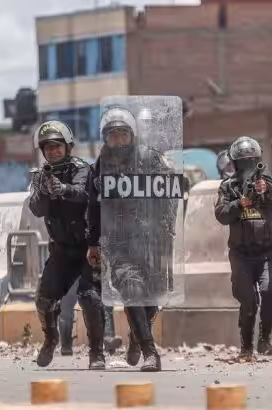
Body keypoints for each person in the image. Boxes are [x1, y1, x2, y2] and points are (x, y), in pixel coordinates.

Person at [86, 106, 174, 372]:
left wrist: (166, 226)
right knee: (132, 291)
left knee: (150, 301)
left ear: (132, 135)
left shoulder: (150, 158)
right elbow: (94, 206)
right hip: (119, 242)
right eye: (112, 135)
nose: (118, 140)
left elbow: (170, 193)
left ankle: (137, 337)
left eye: (123, 134)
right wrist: (93, 243)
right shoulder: (101, 166)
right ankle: (151, 353)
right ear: (105, 138)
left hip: (151, 241)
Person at [28, 120, 106, 370]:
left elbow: (84, 193)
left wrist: (63, 189)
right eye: (47, 148)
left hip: (86, 247)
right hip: (61, 249)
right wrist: (41, 192)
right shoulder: (41, 175)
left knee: (90, 297)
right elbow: (36, 210)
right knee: (44, 300)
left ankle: (97, 353)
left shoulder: (82, 168)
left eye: (57, 146)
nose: (52, 151)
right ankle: (51, 341)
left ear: (68, 146)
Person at [214, 136, 272, 361]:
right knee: (248, 301)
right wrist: (239, 204)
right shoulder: (227, 187)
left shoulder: (265, 182)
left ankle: (265, 338)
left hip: (267, 253)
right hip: (241, 255)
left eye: (251, 162)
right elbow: (222, 215)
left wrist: (265, 187)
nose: (247, 167)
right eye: (243, 162)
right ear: (234, 163)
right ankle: (246, 349)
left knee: (270, 292)